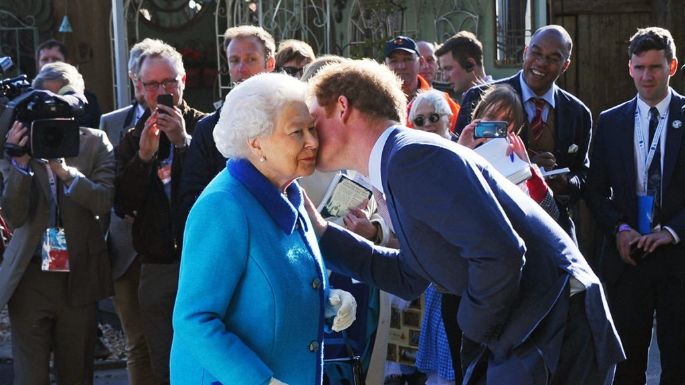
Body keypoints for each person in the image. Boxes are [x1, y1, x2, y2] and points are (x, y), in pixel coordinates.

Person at [306, 59, 624, 385]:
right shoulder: (398, 158)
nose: (308, 135)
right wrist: (321, 232)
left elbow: (501, 255)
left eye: (313, 118)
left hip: (553, 330)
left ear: (342, 107)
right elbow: (410, 274)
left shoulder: (408, 157)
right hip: (539, 328)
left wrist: (472, 329)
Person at [170, 72, 356, 385]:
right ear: (256, 143)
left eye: (312, 128)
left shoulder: (290, 193)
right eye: (297, 132)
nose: (312, 141)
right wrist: (258, 380)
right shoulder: (224, 207)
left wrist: (327, 300)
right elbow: (194, 319)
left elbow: (268, 295)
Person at [0, 62, 114, 384]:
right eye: (45, 99)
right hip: (32, 275)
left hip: (77, 275)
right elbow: (13, 216)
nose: (53, 108)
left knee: (76, 372)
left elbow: (104, 200)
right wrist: (20, 164)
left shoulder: (95, 142)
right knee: (30, 376)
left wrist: (66, 173)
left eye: (62, 99)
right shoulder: (16, 146)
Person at [586, 27, 685, 385]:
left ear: (671, 67)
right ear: (629, 68)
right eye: (639, 67)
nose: (647, 76)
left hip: (678, 258)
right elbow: (595, 191)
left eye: (655, 67)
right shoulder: (611, 121)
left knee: (678, 364)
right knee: (627, 367)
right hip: (628, 260)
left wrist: (672, 231)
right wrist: (620, 230)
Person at [114, 39, 206, 385]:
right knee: (163, 365)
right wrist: (143, 158)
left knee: (206, 357)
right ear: (139, 88)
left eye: (168, 82)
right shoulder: (132, 137)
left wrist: (182, 144)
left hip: (203, 262)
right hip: (156, 266)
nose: (161, 91)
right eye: (152, 84)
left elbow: (214, 190)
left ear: (182, 82)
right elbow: (123, 205)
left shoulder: (206, 129)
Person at [457, 25, 591, 243]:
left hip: (552, 228)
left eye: (553, 58)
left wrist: (565, 183)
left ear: (565, 65)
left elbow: (584, 176)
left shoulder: (578, 113)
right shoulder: (481, 96)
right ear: (525, 52)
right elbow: (456, 162)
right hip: (492, 225)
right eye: (536, 53)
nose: (541, 63)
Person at [178, 25, 275, 243]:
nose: (242, 68)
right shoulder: (209, 128)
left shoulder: (291, 122)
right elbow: (191, 198)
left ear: (269, 64)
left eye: (251, 59)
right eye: (234, 60)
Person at [99, 38, 157, 385]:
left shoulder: (191, 122)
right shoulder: (112, 122)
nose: (148, 87)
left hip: (171, 247)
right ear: (134, 80)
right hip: (126, 250)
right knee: (136, 341)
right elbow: (107, 181)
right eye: (144, 80)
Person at [407, 89, 458, 385]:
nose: (427, 125)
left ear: (448, 120)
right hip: (432, 276)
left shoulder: (464, 151)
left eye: (434, 118)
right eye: (420, 120)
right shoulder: (411, 159)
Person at [384, 36, 460, 132]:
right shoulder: (378, 102)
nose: (401, 66)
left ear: (420, 62)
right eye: (394, 61)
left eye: (407, 59)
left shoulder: (442, 100)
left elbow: (460, 136)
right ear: (385, 65)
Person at [36, 39, 102, 128]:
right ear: (38, 64)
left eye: (55, 59)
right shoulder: (30, 98)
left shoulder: (86, 99)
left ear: (67, 63)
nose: (50, 63)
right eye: (44, 60)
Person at [435, 31, 491, 101]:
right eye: (442, 70)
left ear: (470, 65)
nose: (445, 78)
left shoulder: (496, 99)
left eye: (448, 68)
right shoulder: (469, 98)